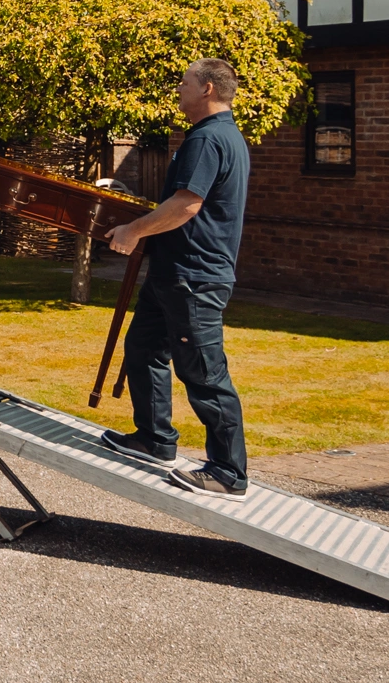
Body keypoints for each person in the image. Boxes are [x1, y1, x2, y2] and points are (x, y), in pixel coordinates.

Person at [100, 58, 252, 500]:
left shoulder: (208, 139)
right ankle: (154, 438)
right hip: (174, 273)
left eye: (185, 82)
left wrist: (134, 230)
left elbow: (187, 204)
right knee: (144, 348)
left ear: (207, 89)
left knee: (203, 371)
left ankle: (228, 472)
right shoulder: (220, 135)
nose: (178, 89)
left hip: (195, 278)